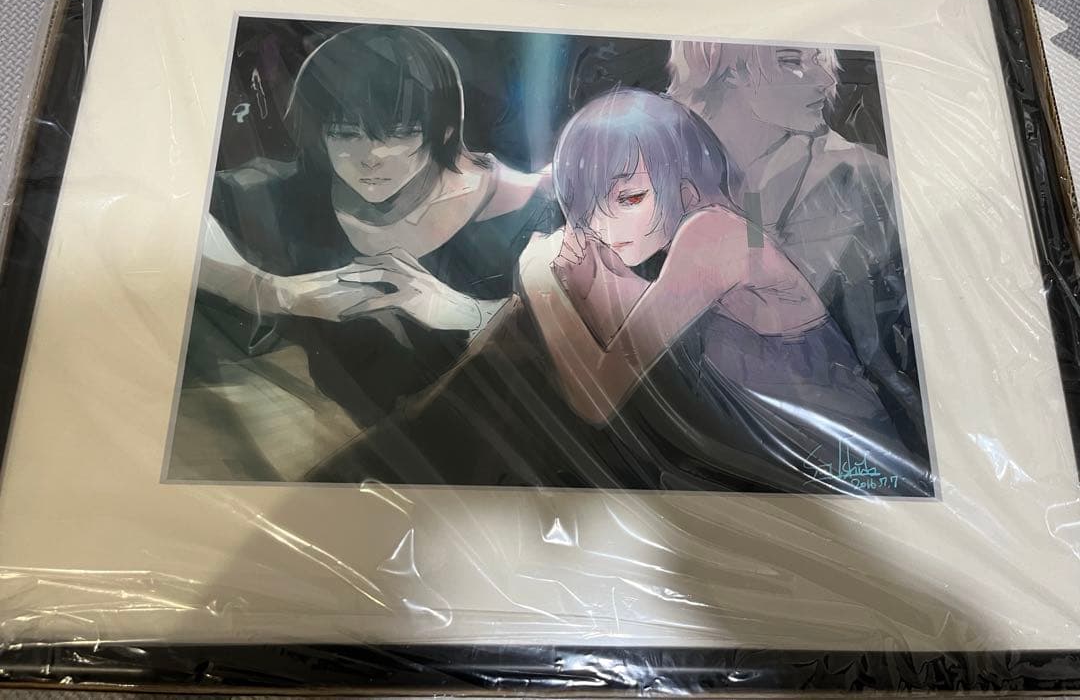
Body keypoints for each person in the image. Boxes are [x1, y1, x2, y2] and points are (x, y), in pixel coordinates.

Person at [310, 90, 932, 496]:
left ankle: (380, 471)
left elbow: (597, 395)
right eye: (585, 207)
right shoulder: (700, 240)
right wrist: (589, 286)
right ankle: (390, 468)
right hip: (766, 449)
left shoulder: (716, 233)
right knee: (521, 345)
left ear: (685, 182)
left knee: (527, 341)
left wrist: (540, 278)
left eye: (628, 197)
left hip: (850, 472)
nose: (603, 227)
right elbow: (652, 339)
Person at [188, 25, 554, 441]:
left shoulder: (525, 211)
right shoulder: (299, 196)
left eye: (399, 133)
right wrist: (278, 293)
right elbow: (172, 213)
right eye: (345, 133)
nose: (370, 157)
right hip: (360, 449)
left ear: (445, 130)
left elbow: (559, 362)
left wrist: (467, 313)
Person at [667, 42, 926, 458]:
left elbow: (898, 346)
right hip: (706, 441)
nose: (826, 79)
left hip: (849, 439)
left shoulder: (861, 179)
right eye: (792, 61)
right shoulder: (654, 175)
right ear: (729, 71)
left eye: (821, 61)